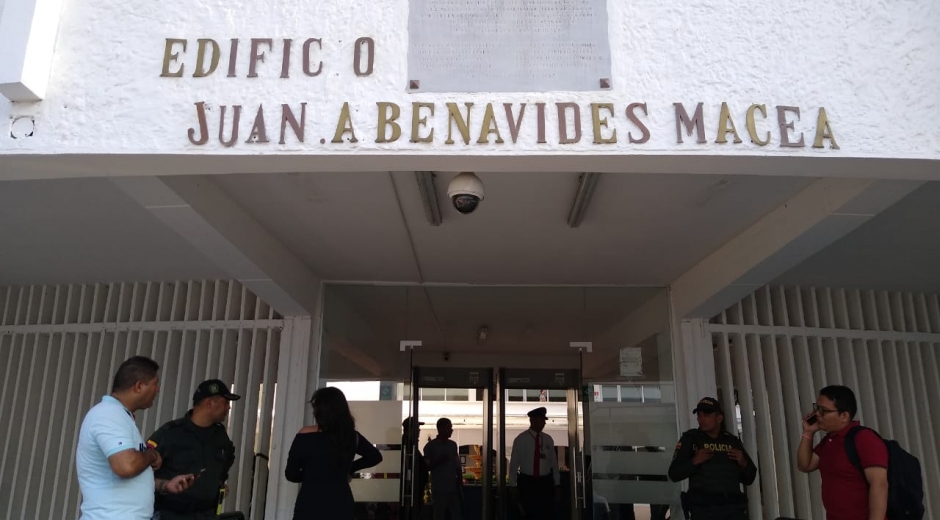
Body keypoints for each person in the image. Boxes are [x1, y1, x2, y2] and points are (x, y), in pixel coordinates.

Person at [76, 356, 194, 520]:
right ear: (139, 386)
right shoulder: (108, 414)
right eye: (155, 383)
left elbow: (127, 480)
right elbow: (126, 466)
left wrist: (165, 485)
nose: (158, 389)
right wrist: (152, 454)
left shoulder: (120, 416)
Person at [285, 386, 383, 520]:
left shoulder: (304, 435)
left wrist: (313, 474)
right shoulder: (351, 436)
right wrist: (350, 468)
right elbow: (375, 456)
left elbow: (291, 474)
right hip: (341, 502)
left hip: (310, 503)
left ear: (318, 411)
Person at [148, 379, 240, 520]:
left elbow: (224, 466)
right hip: (170, 515)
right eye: (226, 402)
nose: (229, 407)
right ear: (209, 403)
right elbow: (142, 475)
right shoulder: (170, 434)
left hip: (206, 515)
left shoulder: (221, 436)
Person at [797, 385, 888, 520]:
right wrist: (808, 433)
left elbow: (879, 484)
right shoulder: (829, 440)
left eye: (824, 410)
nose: (817, 414)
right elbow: (805, 465)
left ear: (844, 416)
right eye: (817, 408)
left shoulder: (864, 438)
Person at [668, 397, 756, 520]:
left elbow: (750, 478)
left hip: (733, 510)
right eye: (699, 415)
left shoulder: (731, 441)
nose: (701, 419)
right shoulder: (691, 439)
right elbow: (674, 474)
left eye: (706, 415)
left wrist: (743, 463)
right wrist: (694, 462)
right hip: (704, 511)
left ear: (719, 418)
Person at [508, 407, 560, 519]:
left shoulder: (548, 439)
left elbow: (554, 463)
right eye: (542, 420)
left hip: (545, 483)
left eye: (544, 420)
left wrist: (557, 483)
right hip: (527, 483)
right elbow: (514, 464)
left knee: (546, 514)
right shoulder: (521, 439)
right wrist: (513, 485)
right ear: (533, 420)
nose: (544, 423)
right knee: (528, 513)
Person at [423, 418, 463, 520]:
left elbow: (457, 464)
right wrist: (439, 462)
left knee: (456, 514)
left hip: (453, 488)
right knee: (439, 514)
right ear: (440, 429)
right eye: (448, 427)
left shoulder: (452, 445)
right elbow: (427, 467)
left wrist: (460, 481)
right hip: (439, 488)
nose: (451, 430)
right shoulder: (430, 447)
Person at [402, 416, 430, 518]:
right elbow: (408, 465)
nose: (419, 431)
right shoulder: (407, 445)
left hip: (414, 487)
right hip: (411, 488)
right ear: (410, 428)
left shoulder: (411, 444)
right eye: (417, 428)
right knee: (411, 513)